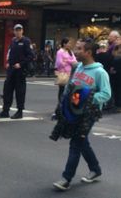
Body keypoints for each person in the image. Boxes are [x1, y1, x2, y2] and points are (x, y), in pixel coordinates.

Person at [52, 38, 111, 191]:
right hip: (73, 111)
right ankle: (95, 169)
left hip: (89, 114)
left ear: (88, 52)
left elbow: (106, 94)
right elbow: (70, 88)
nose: (75, 51)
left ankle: (66, 178)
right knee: (81, 142)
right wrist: (61, 107)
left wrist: (87, 99)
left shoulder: (100, 72)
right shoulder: (78, 67)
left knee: (76, 143)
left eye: (79, 49)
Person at [0, 24, 34, 119]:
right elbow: (10, 52)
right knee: (7, 90)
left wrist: (21, 64)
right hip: (11, 70)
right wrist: (8, 62)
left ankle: (19, 111)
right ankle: (5, 111)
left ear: (22, 31)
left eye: (19, 30)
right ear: (14, 31)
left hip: (20, 70)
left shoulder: (26, 41)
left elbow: (31, 56)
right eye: (16, 30)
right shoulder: (13, 41)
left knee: (20, 92)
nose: (17, 32)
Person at [55, 38, 77, 103]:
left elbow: (75, 61)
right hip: (63, 73)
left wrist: (66, 60)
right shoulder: (60, 52)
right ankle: (60, 104)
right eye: (68, 43)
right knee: (62, 89)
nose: (70, 45)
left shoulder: (70, 51)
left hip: (71, 73)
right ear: (64, 44)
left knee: (71, 89)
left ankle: (68, 103)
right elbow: (59, 63)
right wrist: (69, 62)